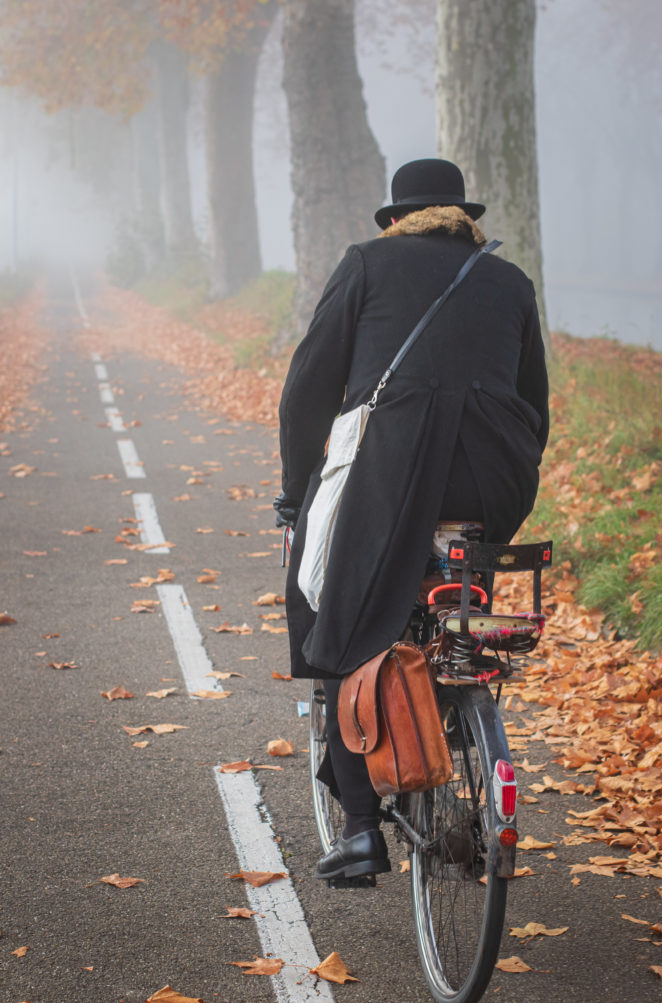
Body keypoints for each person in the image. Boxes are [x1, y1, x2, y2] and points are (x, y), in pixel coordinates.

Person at [275, 158, 549, 881]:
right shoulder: (509, 280)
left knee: (341, 619)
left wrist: (294, 489)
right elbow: (534, 402)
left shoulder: (366, 263)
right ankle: (458, 685)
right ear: (464, 218)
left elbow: (308, 389)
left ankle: (362, 829)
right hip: (494, 479)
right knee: (451, 587)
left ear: (396, 219)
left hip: (394, 471)